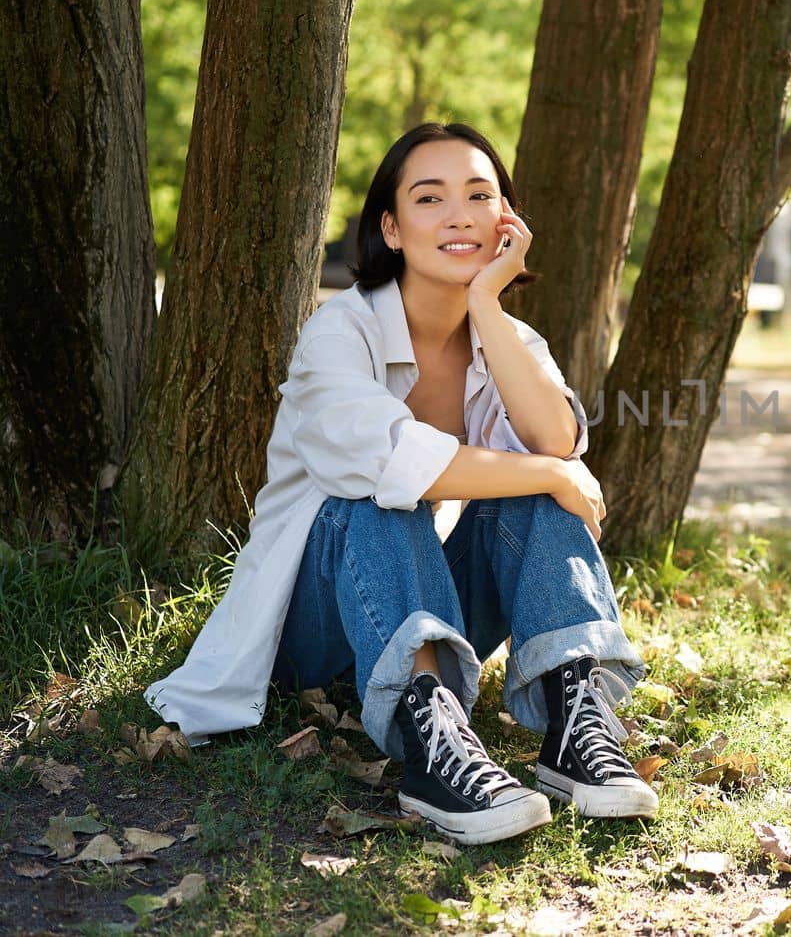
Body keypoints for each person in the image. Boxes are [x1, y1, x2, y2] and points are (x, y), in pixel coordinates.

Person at [144, 121, 657, 844]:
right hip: (321, 620)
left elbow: (558, 442)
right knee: (382, 494)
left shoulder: (508, 338)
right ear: (390, 226)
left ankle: (575, 719)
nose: (458, 215)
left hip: (429, 604)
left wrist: (486, 303)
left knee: (543, 484)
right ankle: (434, 745)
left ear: (506, 221)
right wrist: (549, 469)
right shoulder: (340, 333)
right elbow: (398, 464)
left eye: (480, 195)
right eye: (429, 198)